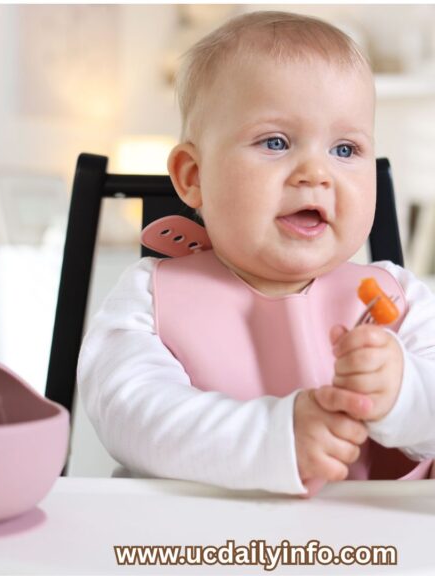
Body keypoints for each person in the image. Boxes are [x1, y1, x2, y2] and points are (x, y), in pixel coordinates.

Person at [78, 11, 435, 496]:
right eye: (275, 142)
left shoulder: (399, 298)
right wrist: (276, 439)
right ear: (193, 177)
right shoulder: (150, 297)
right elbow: (131, 414)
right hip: (195, 539)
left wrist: (401, 393)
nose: (316, 173)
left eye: (346, 150)